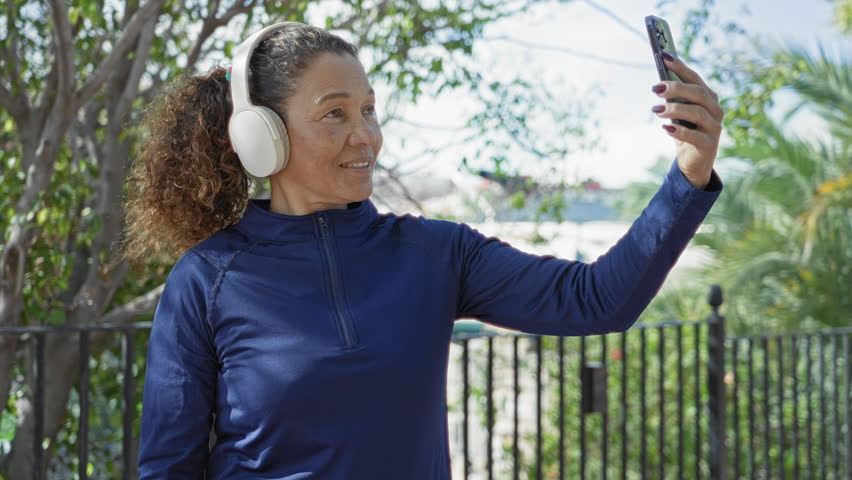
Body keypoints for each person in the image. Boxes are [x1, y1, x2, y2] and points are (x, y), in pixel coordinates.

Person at [127, 20, 723, 479]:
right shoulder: (207, 278)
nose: (365, 135)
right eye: (334, 114)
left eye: (369, 110)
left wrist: (689, 172)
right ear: (263, 135)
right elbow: (168, 467)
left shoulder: (436, 252)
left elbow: (598, 300)